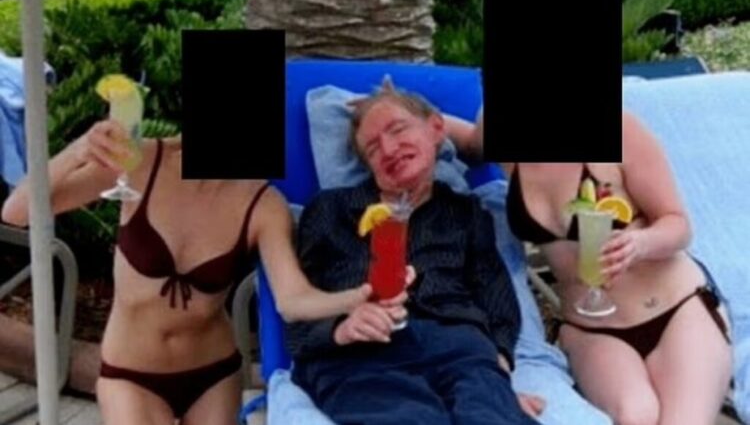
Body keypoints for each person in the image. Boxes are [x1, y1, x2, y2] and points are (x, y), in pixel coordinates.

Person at [1, 121, 378, 425]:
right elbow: (17, 211)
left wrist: (357, 297)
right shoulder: (140, 161)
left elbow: (292, 299)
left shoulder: (263, 203)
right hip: (130, 373)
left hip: (213, 375)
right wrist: (79, 150)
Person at [448, 110, 733, 425]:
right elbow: (468, 142)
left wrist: (641, 243)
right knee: (635, 417)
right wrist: (410, 112)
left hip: (674, 311)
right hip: (592, 329)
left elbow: (677, 223)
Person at [285, 78, 544, 424]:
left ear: (436, 129)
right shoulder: (330, 210)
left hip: (460, 349)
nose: (388, 149)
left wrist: (498, 369)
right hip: (361, 355)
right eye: (372, 148)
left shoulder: (466, 212)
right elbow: (298, 305)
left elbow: (495, 294)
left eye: (398, 129)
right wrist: (338, 329)